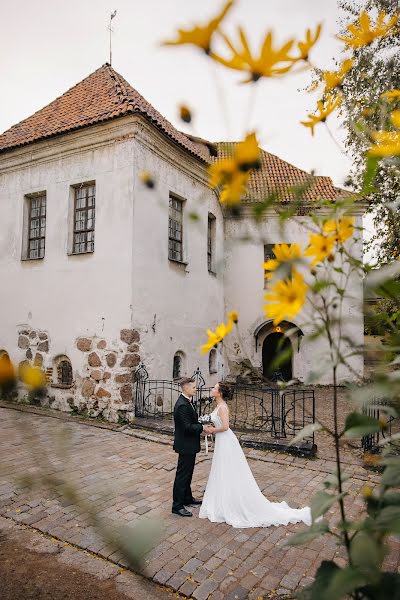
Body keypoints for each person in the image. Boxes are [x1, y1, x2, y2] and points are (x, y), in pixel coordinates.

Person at [199, 382, 312, 528]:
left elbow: (226, 427)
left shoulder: (222, 407)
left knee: (228, 468)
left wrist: (212, 430)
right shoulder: (218, 405)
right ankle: (224, 498)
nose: (212, 389)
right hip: (222, 441)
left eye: (214, 388)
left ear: (219, 393)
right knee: (222, 469)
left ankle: (233, 500)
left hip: (226, 441)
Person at [172, 377, 213, 517]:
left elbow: (191, 421)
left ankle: (187, 498)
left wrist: (201, 423)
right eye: (194, 387)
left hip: (189, 444)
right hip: (185, 445)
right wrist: (202, 427)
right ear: (186, 387)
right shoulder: (182, 405)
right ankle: (177, 505)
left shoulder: (188, 402)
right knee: (182, 476)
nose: (196, 389)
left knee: (188, 473)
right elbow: (187, 427)